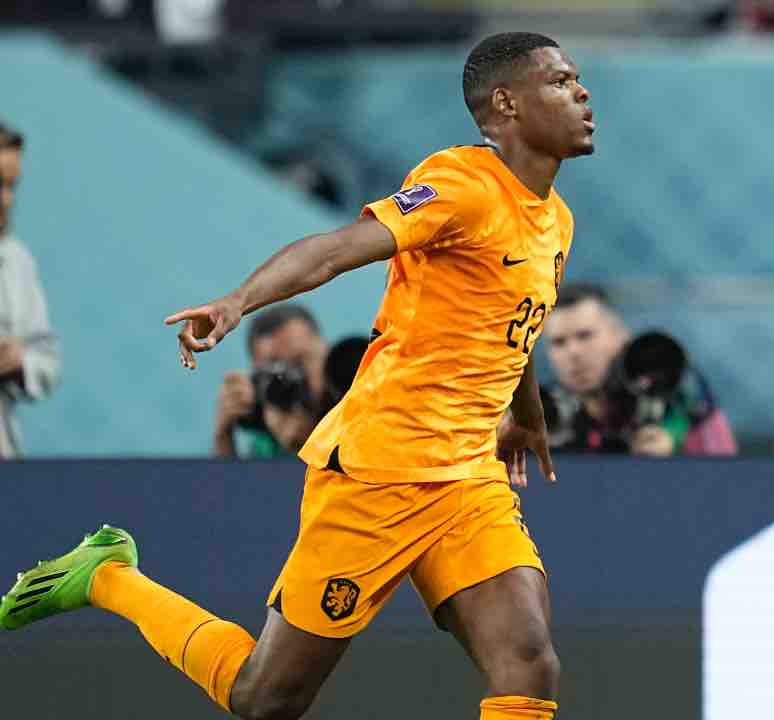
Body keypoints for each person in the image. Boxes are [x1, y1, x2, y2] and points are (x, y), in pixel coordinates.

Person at [0, 32, 594, 720]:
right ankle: (107, 576)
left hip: (467, 478)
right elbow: (334, 251)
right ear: (507, 104)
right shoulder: (463, 188)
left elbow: (510, 323)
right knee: (264, 698)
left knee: (528, 664)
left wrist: (527, 416)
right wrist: (238, 301)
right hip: (380, 472)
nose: (582, 93)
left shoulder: (556, 221)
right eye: (561, 81)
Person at [541, 283, 737, 456]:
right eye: (559, 342)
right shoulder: (542, 417)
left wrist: (675, 450)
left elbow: (724, 474)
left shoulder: (680, 398)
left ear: (621, 336)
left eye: (585, 336)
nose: (573, 352)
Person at [0, 123, 60, 458]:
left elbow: (48, 364)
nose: (7, 200)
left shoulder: (17, 261)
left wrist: (19, 362)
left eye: (12, 186)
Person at [213, 303, 331, 458]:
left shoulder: (354, 405)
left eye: (299, 362)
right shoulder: (264, 441)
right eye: (274, 368)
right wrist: (224, 436)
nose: (288, 378)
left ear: (326, 356)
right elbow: (231, 475)